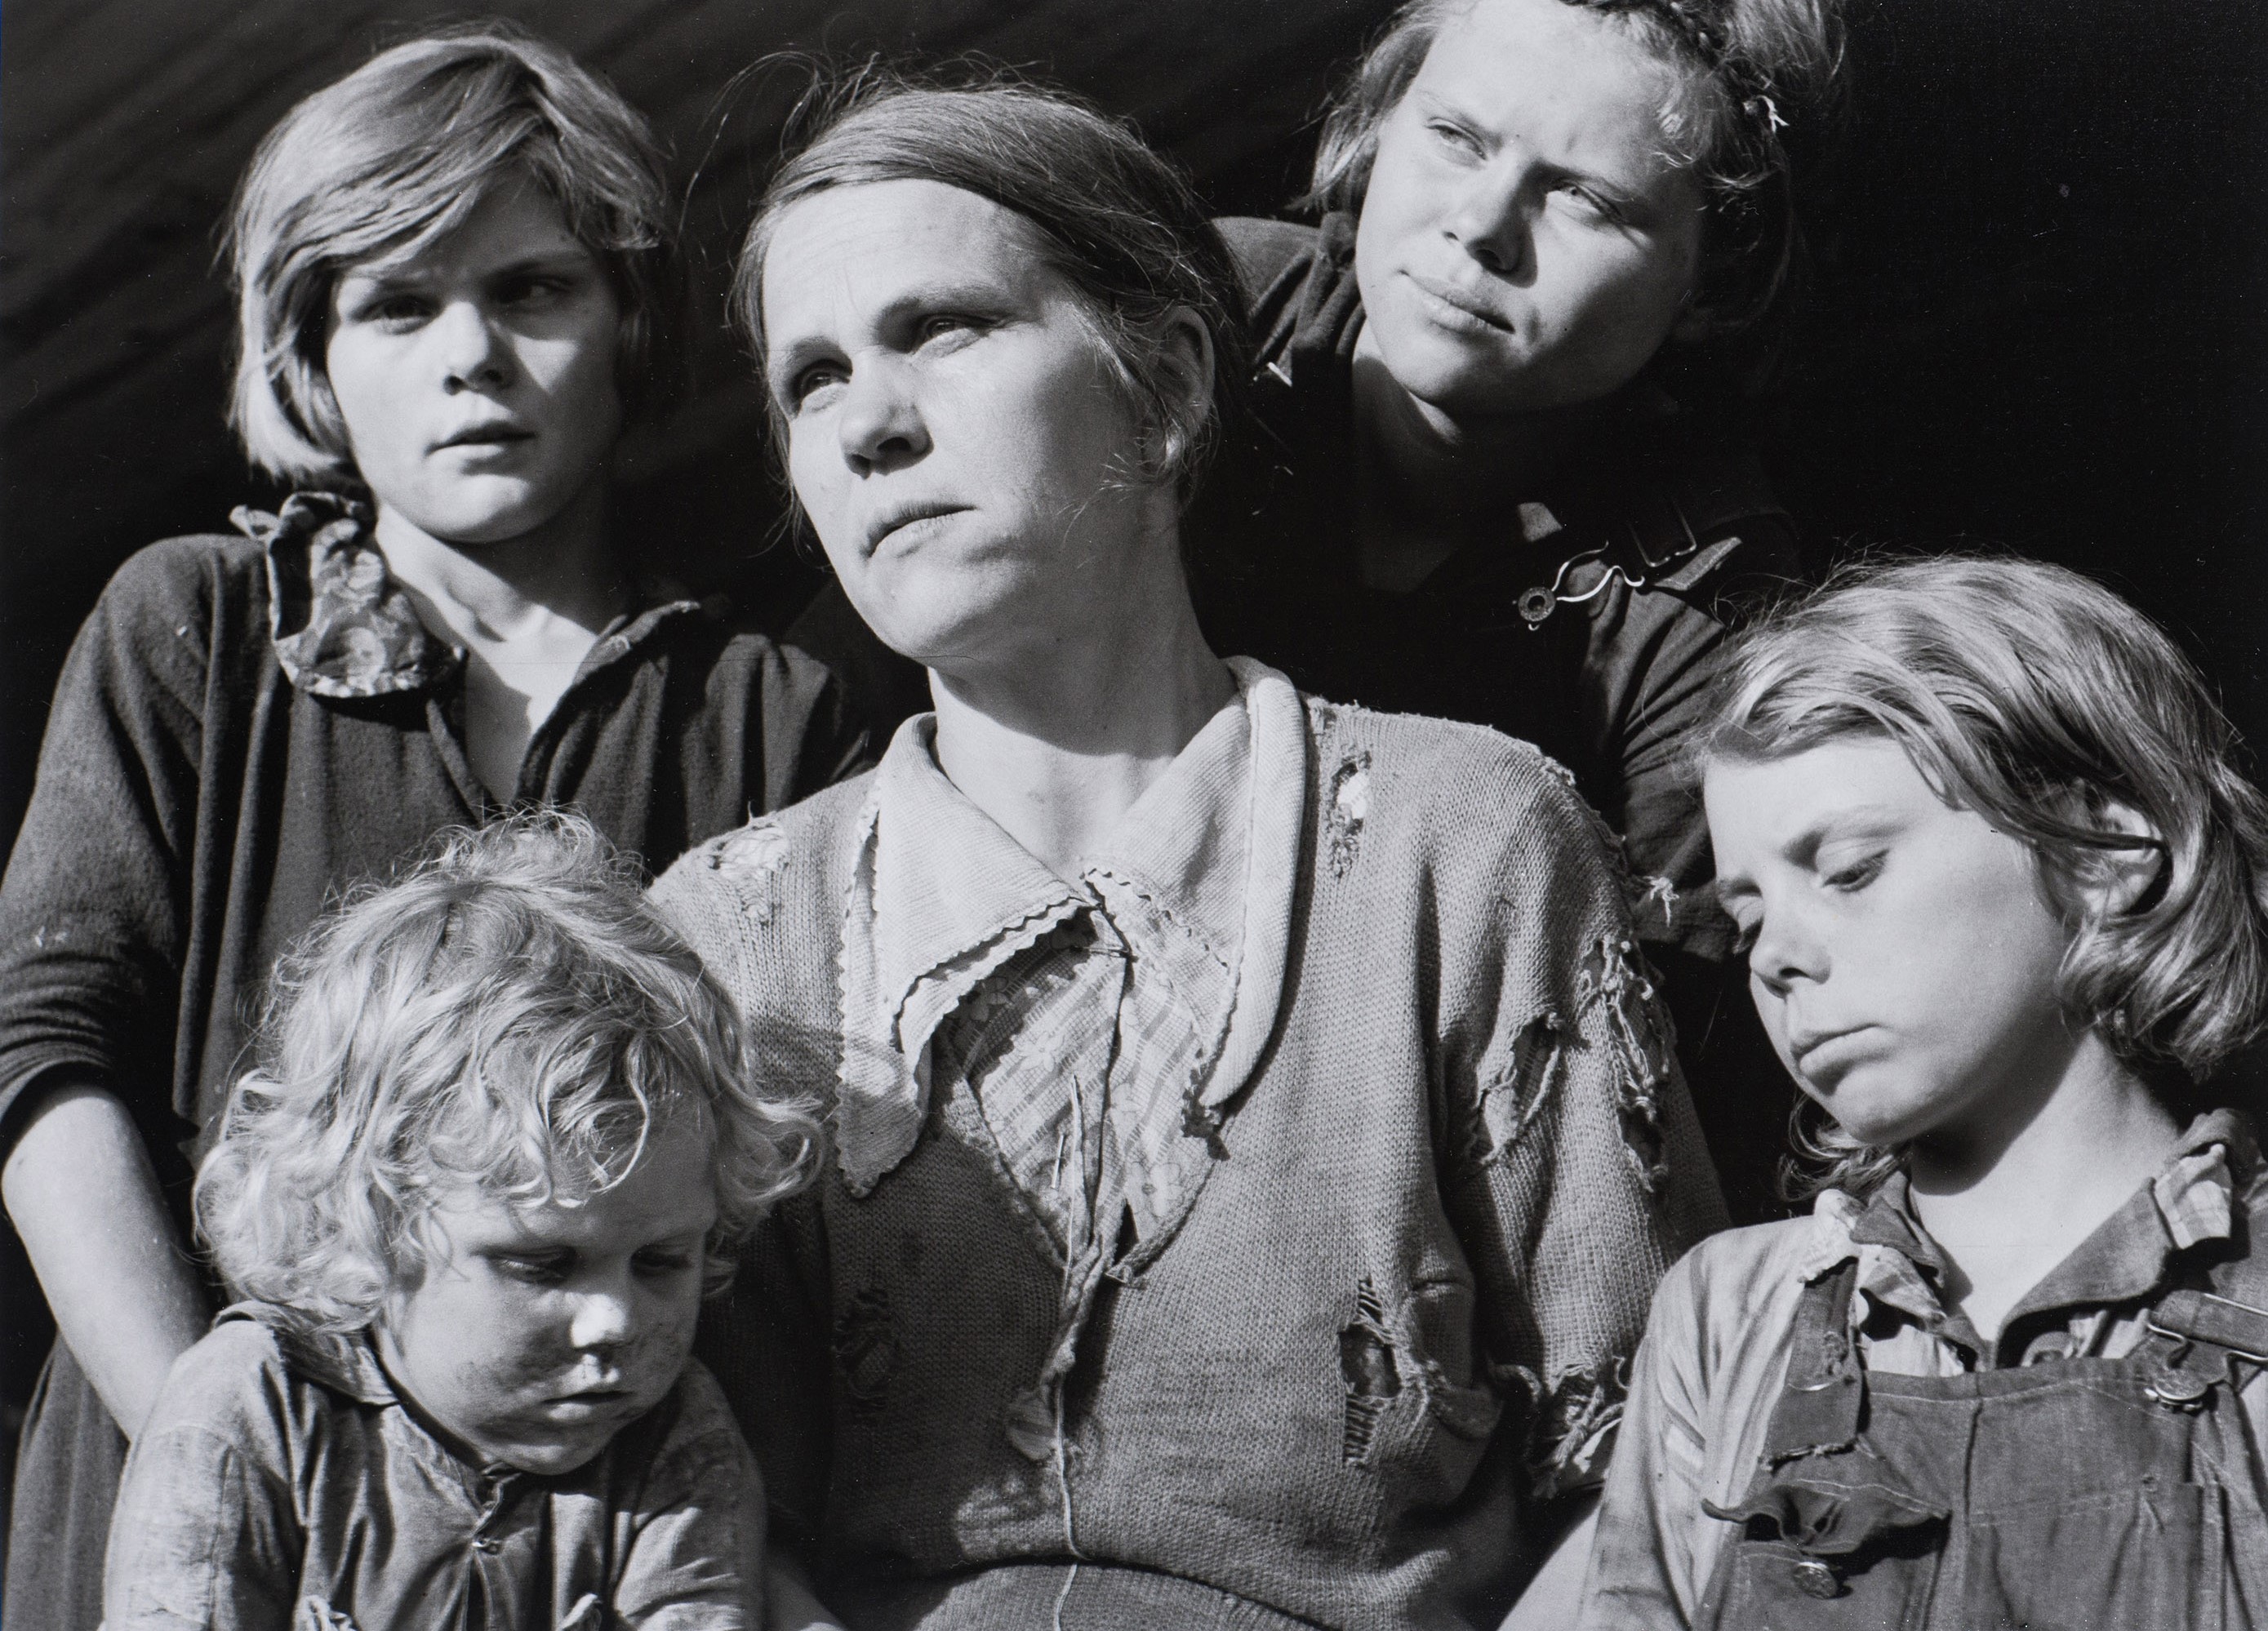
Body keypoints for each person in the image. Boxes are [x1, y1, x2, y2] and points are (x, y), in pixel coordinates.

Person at [651, 75, 1726, 1631]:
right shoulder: (730, 938)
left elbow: (1651, 1465)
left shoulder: (1466, 844)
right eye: (812, 378)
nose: (869, 423)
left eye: (940, 330)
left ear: (1159, 387)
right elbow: (692, 1505)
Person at [0, 29, 867, 1628]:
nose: (470, 350)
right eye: (399, 302)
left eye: (534, 289)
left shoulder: (765, 710)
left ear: (628, 319)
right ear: (312, 356)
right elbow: (45, 1066)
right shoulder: (195, 632)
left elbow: (780, 1217)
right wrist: (242, 1449)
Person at [789, 0, 1849, 1221]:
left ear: (1711, 276)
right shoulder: (1210, 317)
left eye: (1585, 201)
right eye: (1455, 137)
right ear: (1375, 127)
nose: (1481, 230)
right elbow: (826, 690)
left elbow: (1631, 1081)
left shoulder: (1704, 608)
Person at [1577, 555, 2268, 1629]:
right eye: (1747, 917)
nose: (1776, 959)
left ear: (2105, 848)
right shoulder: (1726, 1316)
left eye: (1848, 868)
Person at [103, 814, 818, 1629]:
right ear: (370, 1225)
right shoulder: (253, 1409)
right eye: (543, 1265)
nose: (614, 1319)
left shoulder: (673, 1438)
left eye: (661, 1260)